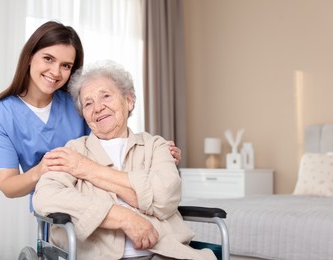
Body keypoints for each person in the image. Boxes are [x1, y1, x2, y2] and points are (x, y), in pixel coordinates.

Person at [32, 60, 216, 260]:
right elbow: (45, 197)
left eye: (106, 96)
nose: (98, 108)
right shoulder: (74, 151)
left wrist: (88, 170)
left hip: (164, 253)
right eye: (88, 103)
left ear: (128, 100)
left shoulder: (156, 146)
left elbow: (165, 197)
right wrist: (123, 217)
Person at [0, 21, 181, 208]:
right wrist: (41, 170)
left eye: (66, 65)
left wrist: (154, 154)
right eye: (48, 58)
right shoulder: (1, 115)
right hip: (57, 201)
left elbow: (111, 138)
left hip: (102, 192)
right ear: (29, 57)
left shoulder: (80, 102)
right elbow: (8, 185)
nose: (55, 72)